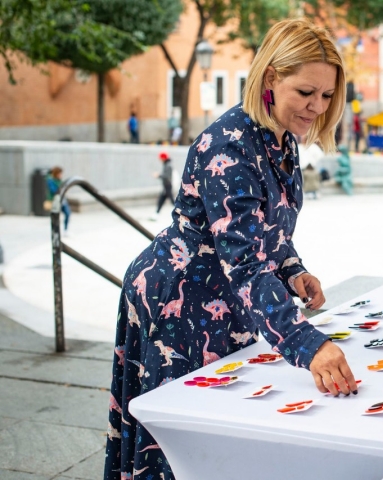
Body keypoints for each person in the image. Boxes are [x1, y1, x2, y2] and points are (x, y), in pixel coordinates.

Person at [104, 19, 355, 480]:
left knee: (217, 440)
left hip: (224, 301)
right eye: (306, 92)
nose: (316, 107)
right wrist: (308, 345)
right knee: (181, 447)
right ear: (272, 77)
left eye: (325, 96)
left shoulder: (281, 135)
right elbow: (243, 264)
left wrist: (292, 268)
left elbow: (266, 227)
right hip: (178, 302)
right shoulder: (231, 146)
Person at [46, 166, 71, 233]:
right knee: (55, 216)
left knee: (68, 213)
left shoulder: (60, 181)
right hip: (55, 200)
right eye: (59, 174)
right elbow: (53, 190)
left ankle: (65, 230)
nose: (61, 175)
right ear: (56, 174)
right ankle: (56, 231)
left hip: (63, 200)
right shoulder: (50, 181)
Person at [151, 151, 174, 220]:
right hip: (166, 186)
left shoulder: (168, 165)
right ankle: (156, 214)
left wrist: (158, 175)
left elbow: (167, 176)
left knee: (171, 201)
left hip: (167, 186)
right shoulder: (167, 165)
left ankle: (181, 212)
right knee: (161, 200)